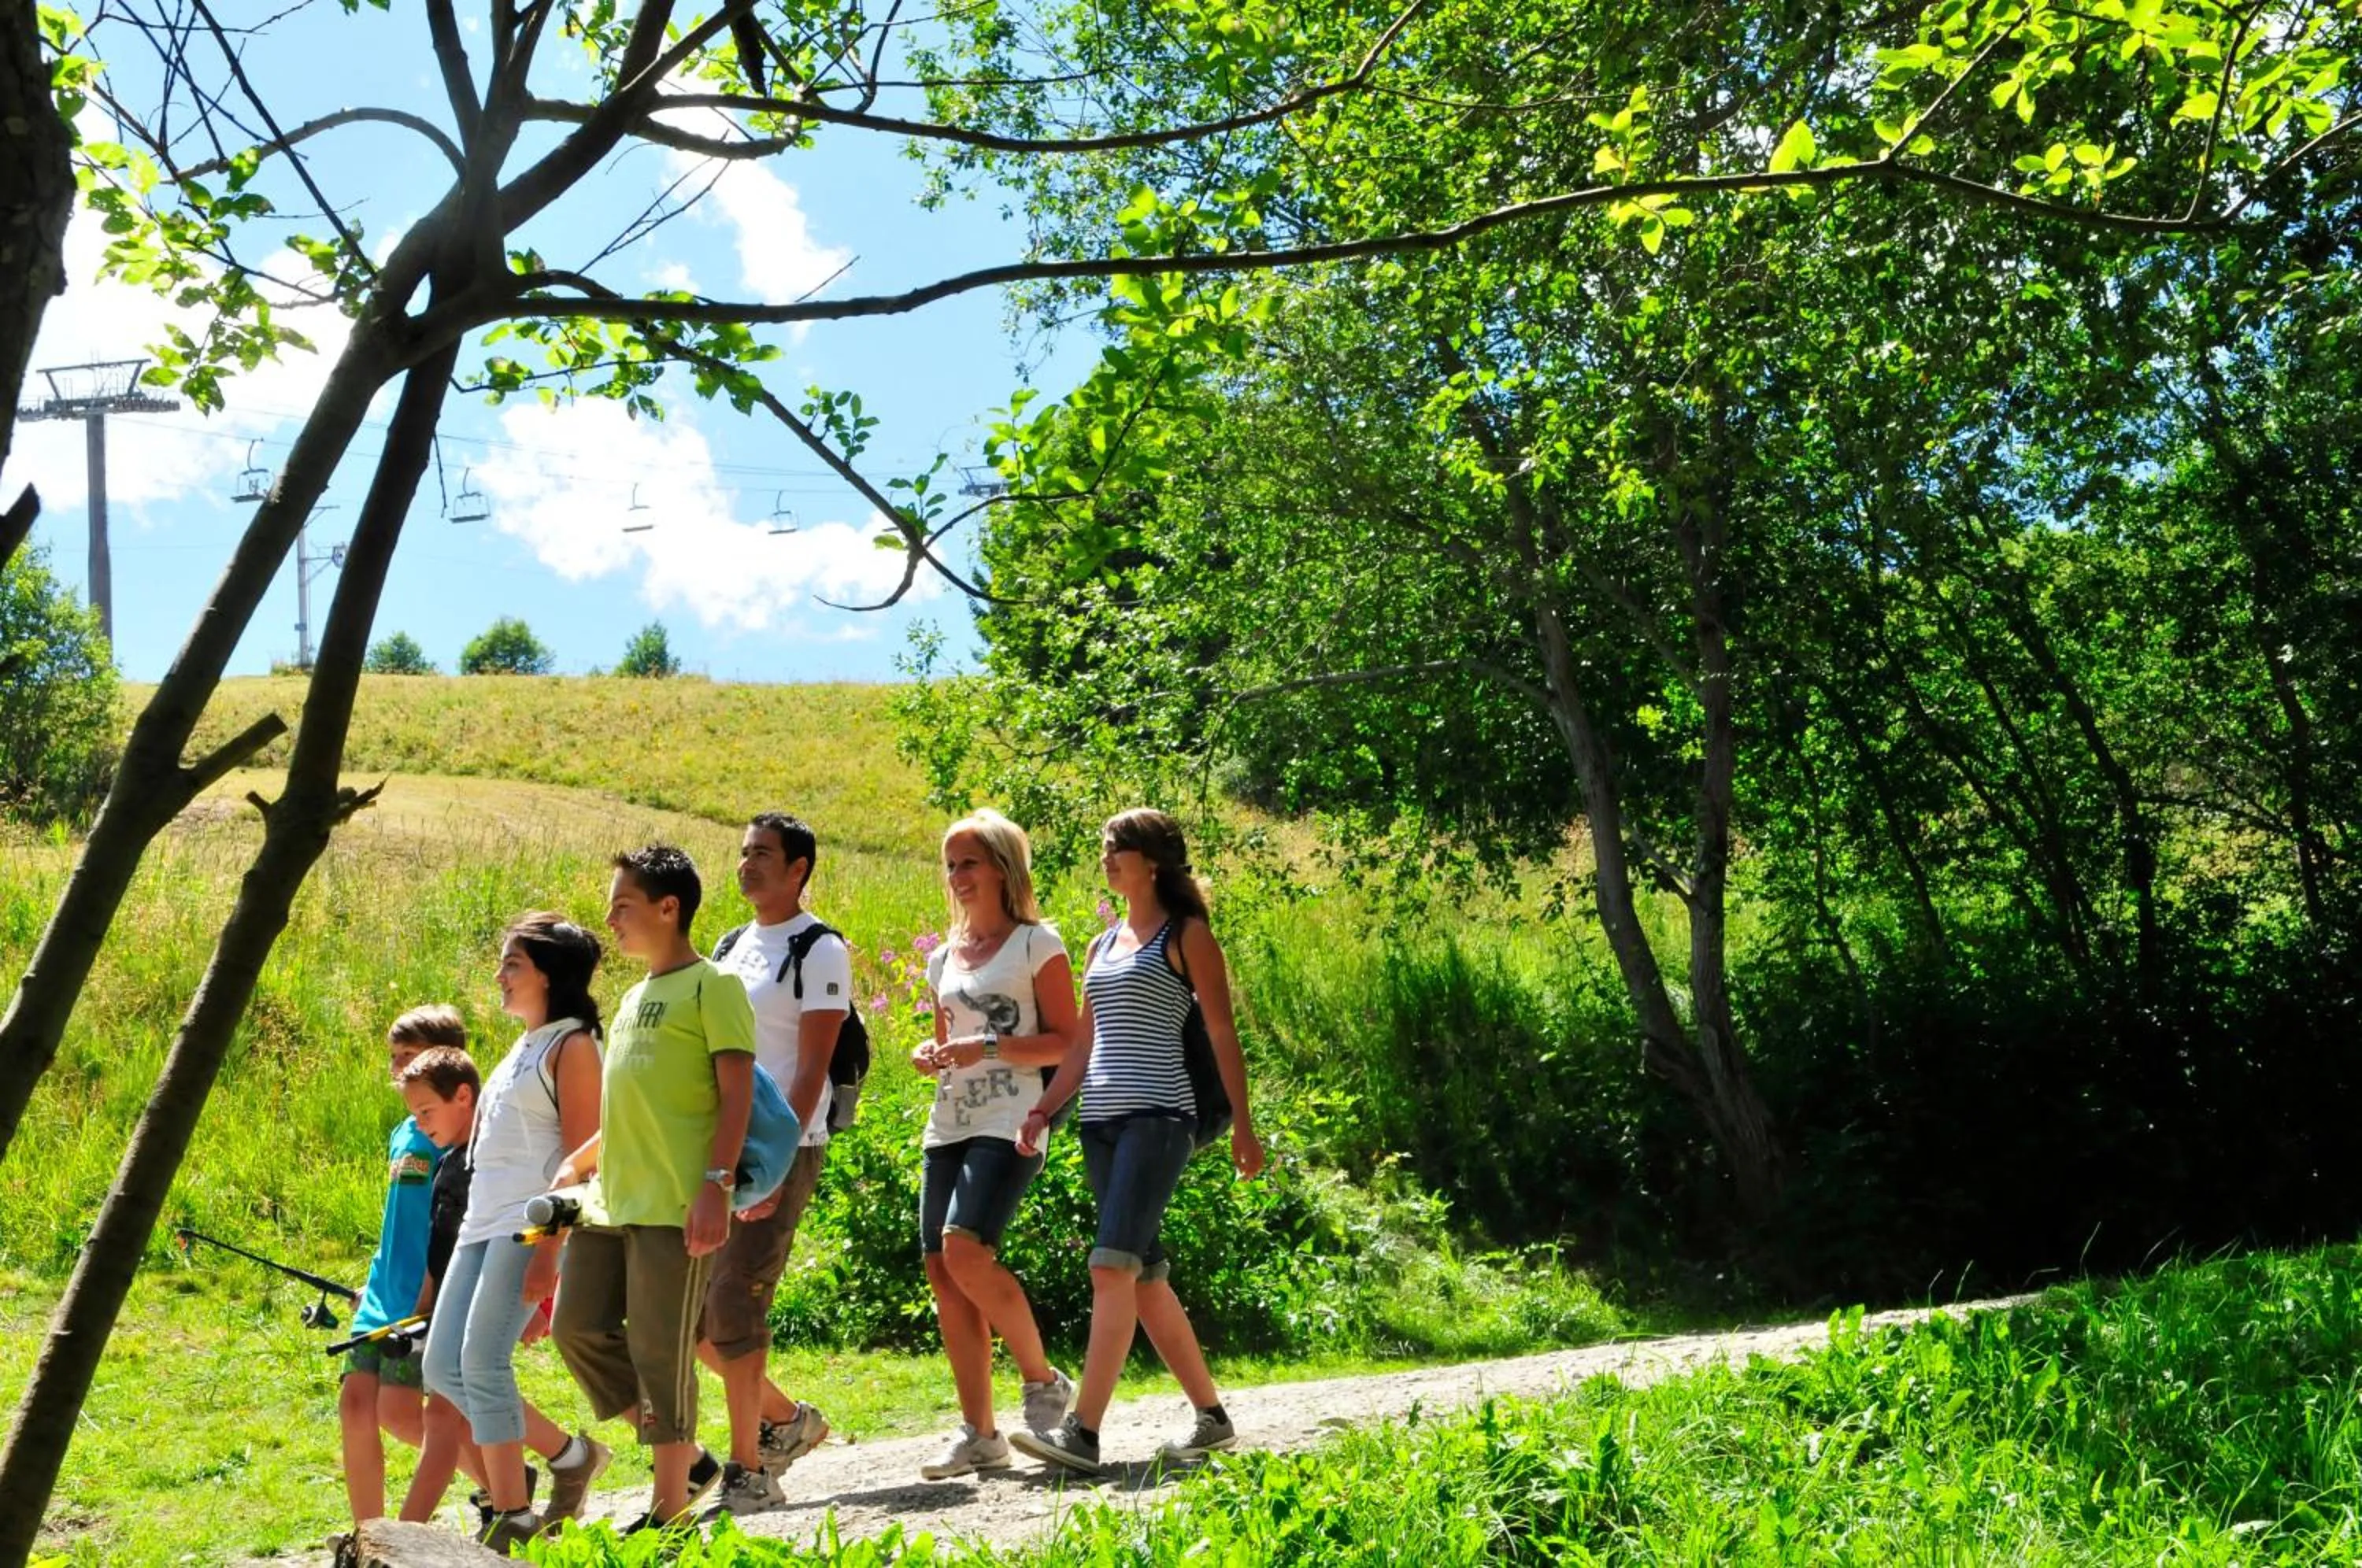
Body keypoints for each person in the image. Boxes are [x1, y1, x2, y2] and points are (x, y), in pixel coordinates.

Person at [1008, 809, 1264, 1476]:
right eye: (1104, 848)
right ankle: (1212, 1418)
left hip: (1160, 1119)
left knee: (1110, 1265)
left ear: (1152, 860)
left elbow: (1222, 1034)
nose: (1107, 858)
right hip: (1101, 1124)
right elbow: (1083, 1044)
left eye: (1117, 848)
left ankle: (1082, 1433)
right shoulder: (1102, 946)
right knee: (1143, 1278)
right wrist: (1042, 1109)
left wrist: (1244, 1123)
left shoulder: (1188, 938)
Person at [552, 845, 756, 1531]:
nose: (610, 919)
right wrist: (580, 1161)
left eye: (624, 906)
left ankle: (670, 1512)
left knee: (662, 1351)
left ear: (669, 909)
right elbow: (629, 1107)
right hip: (611, 1199)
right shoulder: (636, 995)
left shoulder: (714, 986)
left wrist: (715, 1187)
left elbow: (737, 1098)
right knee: (576, 1326)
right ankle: (689, 1455)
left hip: (675, 1203)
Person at [418, 914, 613, 1548]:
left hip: (523, 1229)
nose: (500, 975)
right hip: (479, 1226)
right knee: (444, 1366)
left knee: (481, 1362)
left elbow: (585, 1160)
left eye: (513, 965)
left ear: (549, 976)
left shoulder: (574, 1046)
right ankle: (569, 1457)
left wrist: (549, 1253)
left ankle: (516, 1517)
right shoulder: (523, 1044)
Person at [912, 809, 1081, 1480]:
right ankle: (979, 1434)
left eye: (970, 863)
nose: (957, 877)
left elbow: (1068, 1042)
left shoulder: (1039, 944)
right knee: (942, 1272)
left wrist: (986, 1045)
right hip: (947, 1121)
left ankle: (1042, 1383)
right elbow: (948, 1037)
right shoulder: (941, 960)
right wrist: (935, 1052)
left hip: (1013, 1119)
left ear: (1004, 868)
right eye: (951, 864)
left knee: (966, 1251)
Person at [698, 814, 846, 1514]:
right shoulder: (731, 946)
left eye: (763, 854)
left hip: (781, 1150)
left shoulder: (819, 949)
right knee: (693, 1318)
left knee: (733, 1305)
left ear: (799, 870)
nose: (747, 863)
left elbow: (813, 1062)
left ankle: (749, 1469)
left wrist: (773, 1161)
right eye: (743, 851)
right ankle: (788, 1422)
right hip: (722, 1153)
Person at [339, 1005, 475, 1529]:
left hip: (424, 1294)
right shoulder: (402, 1132)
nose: (399, 1068)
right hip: (380, 1294)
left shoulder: (451, 1135)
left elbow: (444, 1222)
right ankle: (367, 1534)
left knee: (399, 1413)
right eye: (395, 1058)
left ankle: (504, 1486)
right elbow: (398, 1218)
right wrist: (371, 1282)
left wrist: (427, 1288)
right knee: (355, 1407)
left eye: (411, 1057)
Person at [389, 1046, 489, 1536]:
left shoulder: (487, 1158)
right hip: (446, 1307)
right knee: (449, 1415)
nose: (421, 1124)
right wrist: (423, 1306)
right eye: (414, 1115)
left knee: (445, 1415)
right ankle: (514, 1500)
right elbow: (437, 1244)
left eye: (426, 1112)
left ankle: (404, 1536)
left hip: (476, 1302)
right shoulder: (449, 1159)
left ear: (464, 1095)